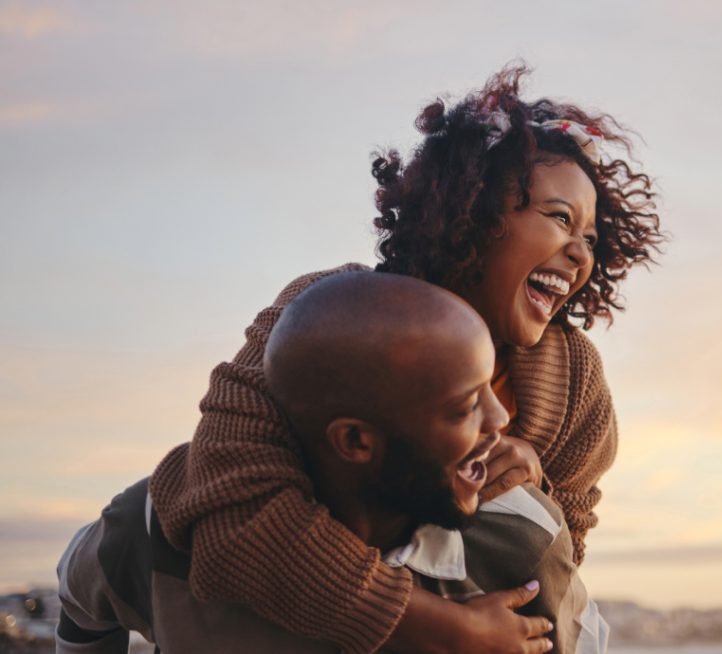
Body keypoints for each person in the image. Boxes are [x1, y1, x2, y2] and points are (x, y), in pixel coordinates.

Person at [148, 63, 663, 652]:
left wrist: (534, 482)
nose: (580, 253)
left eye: (592, 238)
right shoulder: (326, 313)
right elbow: (233, 512)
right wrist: (433, 626)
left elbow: (556, 563)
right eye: (558, 218)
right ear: (475, 212)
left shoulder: (576, 384)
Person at [57, 273, 606, 653]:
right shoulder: (160, 525)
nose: (499, 420)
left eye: (491, 386)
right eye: (465, 406)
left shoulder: (524, 538)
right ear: (355, 441)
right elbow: (79, 602)